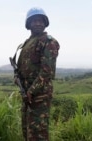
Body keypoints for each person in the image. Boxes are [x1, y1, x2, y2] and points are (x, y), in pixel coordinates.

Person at [15, 7, 60, 141]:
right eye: (34, 21)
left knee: (38, 133)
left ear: (45, 23)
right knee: (27, 130)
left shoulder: (48, 41)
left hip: (40, 94)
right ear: (28, 24)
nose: (38, 23)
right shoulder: (26, 44)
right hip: (27, 93)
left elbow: (47, 71)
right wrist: (17, 78)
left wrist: (32, 91)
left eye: (40, 21)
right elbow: (20, 68)